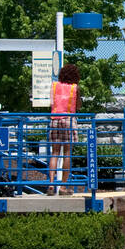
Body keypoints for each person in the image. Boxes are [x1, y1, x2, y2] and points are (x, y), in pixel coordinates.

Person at [49, 63, 80, 195]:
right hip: (68, 119)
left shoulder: (54, 86)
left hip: (54, 119)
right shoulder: (75, 88)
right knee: (67, 153)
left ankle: (51, 184)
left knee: (55, 152)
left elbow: (51, 103)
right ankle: (62, 186)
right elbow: (78, 106)